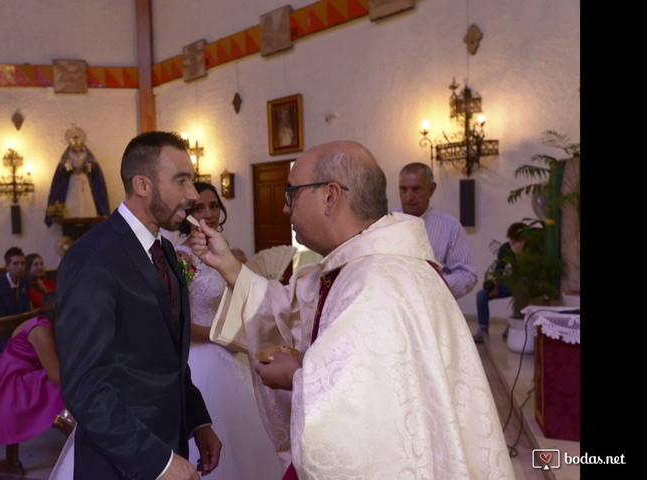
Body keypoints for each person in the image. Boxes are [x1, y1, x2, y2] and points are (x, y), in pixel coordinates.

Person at [191, 141, 514, 479]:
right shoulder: (358, 265)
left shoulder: (374, 281)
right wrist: (228, 265)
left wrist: (294, 377)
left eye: (292, 195)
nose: (286, 209)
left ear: (330, 196)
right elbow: (291, 310)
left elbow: (354, 414)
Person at [54, 131, 220, 479]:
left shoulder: (168, 252)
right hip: (120, 462)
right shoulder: (92, 258)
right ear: (142, 185)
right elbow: (85, 386)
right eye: (181, 181)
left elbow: (170, 355)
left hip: (173, 442)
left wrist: (198, 420)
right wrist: (156, 461)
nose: (192, 194)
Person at [176, 183, 283, 480]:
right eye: (199, 208)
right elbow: (178, 320)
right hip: (201, 352)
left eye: (213, 206)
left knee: (247, 427)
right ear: (187, 213)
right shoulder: (181, 257)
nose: (208, 213)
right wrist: (219, 334)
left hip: (229, 347)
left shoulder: (227, 251)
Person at [0, 292, 73, 445]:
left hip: (29, 371)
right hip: (13, 380)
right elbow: (56, 376)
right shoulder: (41, 330)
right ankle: (73, 429)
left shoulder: (51, 325)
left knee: (74, 382)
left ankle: (73, 426)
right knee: (64, 386)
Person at [395, 162, 477, 299]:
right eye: (403, 189)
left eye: (416, 189)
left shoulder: (450, 227)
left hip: (433, 310)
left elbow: (467, 275)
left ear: (432, 189)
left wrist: (433, 286)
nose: (408, 197)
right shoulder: (384, 222)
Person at [474, 222, 529, 342]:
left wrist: (520, 254)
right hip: (508, 283)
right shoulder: (505, 248)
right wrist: (496, 287)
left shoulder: (528, 248)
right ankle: (483, 329)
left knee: (521, 287)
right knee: (481, 295)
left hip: (523, 284)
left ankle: (513, 326)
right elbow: (499, 270)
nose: (518, 243)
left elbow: (527, 272)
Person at [45, 126, 111, 226]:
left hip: (84, 181)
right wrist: (66, 167)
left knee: (86, 201)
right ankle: (71, 216)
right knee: (72, 200)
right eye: (74, 144)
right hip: (72, 181)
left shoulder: (87, 155)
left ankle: (89, 215)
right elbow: (61, 172)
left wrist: (89, 167)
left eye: (78, 144)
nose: (77, 146)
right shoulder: (68, 156)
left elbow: (95, 170)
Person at [0, 246, 32, 320]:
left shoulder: (25, 283)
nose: (20, 267)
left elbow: (27, 310)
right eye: (15, 263)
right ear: (7, 266)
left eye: (23, 263)